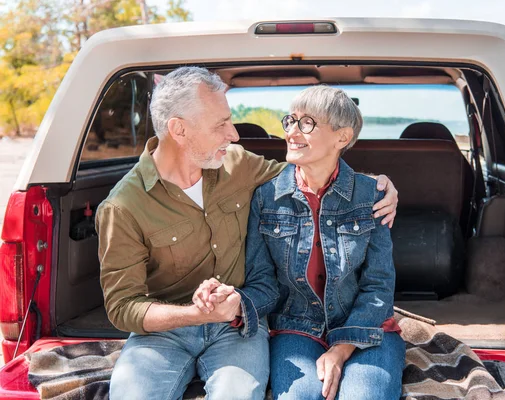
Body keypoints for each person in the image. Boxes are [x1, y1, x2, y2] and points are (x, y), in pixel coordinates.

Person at [96, 67, 399, 400]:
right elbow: (123, 307)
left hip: (237, 327)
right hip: (164, 331)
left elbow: (312, 171)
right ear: (179, 130)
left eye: (230, 120)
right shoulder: (122, 206)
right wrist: (196, 314)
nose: (234, 134)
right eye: (220, 124)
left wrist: (375, 186)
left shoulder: (237, 165)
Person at [247, 86, 405, 400]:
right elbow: (261, 281)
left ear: (342, 137)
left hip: (367, 326)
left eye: (307, 123)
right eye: (290, 121)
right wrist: (234, 307)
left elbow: (379, 285)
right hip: (295, 325)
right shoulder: (265, 197)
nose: (292, 132)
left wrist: (342, 349)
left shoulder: (372, 195)